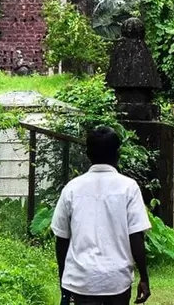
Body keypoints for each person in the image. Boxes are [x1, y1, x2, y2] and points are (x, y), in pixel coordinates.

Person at [51, 126, 151, 305]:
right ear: (117, 153)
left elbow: (61, 238)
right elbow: (136, 236)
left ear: (88, 154)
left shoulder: (72, 188)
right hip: (116, 281)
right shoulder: (128, 187)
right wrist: (144, 277)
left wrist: (64, 280)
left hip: (80, 281)